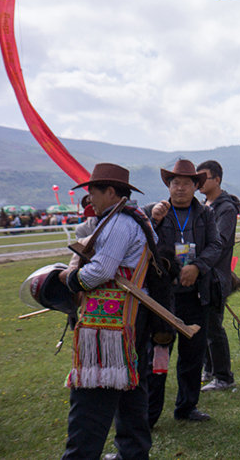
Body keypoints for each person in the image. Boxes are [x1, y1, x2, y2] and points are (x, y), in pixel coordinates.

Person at [58, 163, 163, 460]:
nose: (89, 198)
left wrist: (72, 279)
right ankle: (132, 453)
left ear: (111, 192)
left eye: (92, 191)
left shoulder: (120, 223)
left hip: (111, 327)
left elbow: (102, 270)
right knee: (131, 393)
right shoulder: (128, 219)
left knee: (92, 396)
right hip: (127, 319)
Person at [147, 159, 222, 423]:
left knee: (193, 354)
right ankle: (150, 413)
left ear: (195, 186)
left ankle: (187, 407)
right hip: (161, 298)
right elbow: (143, 246)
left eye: (186, 183)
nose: (180, 188)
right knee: (157, 355)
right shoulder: (154, 213)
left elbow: (216, 245)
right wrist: (153, 221)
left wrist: (198, 267)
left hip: (195, 294)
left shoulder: (205, 214)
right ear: (168, 185)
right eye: (175, 183)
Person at [196, 160, 240, 393]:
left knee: (213, 327)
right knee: (201, 325)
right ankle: (210, 369)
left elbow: (220, 243)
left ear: (217, 179)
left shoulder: (225, 208)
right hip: (201, 274)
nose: (199, 182)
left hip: (215, 276)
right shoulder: (205, 205)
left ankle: (224, 376)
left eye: (204, 177)